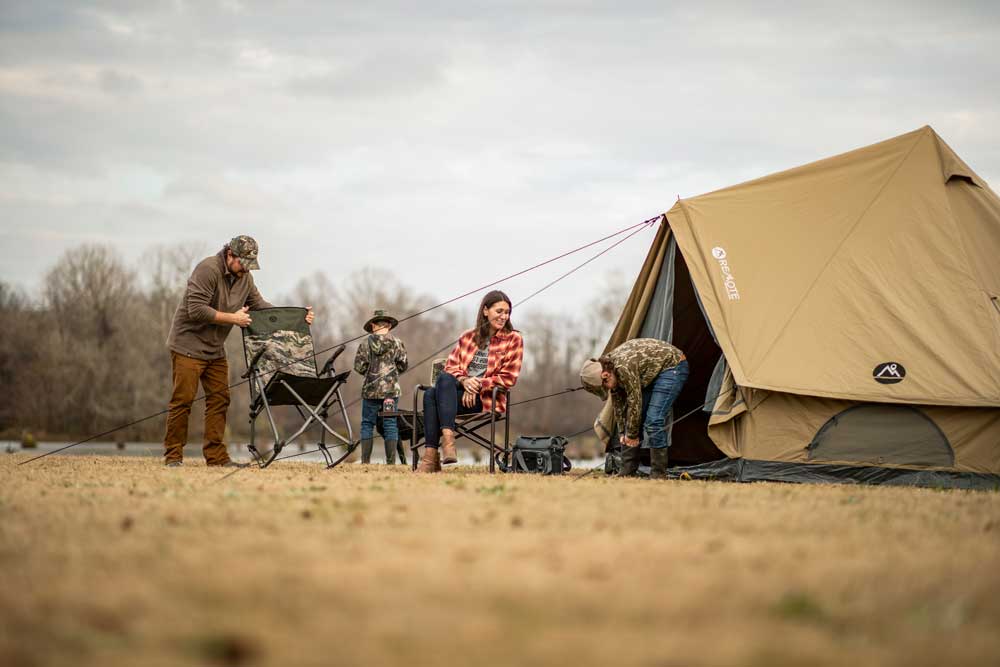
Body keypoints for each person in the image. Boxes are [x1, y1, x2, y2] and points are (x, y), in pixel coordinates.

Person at [163, 235, 314, 467]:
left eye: (249, 265)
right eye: (242, 263)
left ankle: (216, 458)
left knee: (220, 400)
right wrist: (233, 318)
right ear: (230, 255)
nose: (245, 269)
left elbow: (260, 307)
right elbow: (196, 310)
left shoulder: (245, 278)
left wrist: (297, 316)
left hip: (214, 350)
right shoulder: (207, 270)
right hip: (187, 346)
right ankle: (173, 456)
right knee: (183, 401)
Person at [416, 290, 524, 473]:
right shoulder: (468, 337)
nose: (503, 316)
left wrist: (478, 385)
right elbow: (451, 367)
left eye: (507, 312)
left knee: (431, 395)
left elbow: (509, 378)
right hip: (456, 396)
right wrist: (465, 381)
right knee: (438, 384)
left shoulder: (514, 339)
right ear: (485, 311)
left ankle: (431, 458)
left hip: (486, 400)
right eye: (499, 311)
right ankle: (446, 443)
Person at [580, 338, 688, 479]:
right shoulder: (610, 370)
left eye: (604, 386)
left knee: (653, 421)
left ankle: (658, 475)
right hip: (652, 374)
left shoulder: (623, 368)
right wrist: (622, 435)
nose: (607, 389)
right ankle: (627, 471)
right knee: (631, 421)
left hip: (672, 366)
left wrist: (632, 435)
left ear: (605, 375)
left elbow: (634, 401)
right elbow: (619, 407)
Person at [353, 309, 409, 465]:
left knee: (367, 424)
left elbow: (359, 367)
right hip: (391, 392)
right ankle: (391, 463)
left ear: (372, 326)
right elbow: (403, 365)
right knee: (390, 423)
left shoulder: (365, 344)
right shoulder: (398, 343)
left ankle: (365, 462)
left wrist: (371, 374)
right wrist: (391, 375)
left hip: (370, 391)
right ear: (389, 325)